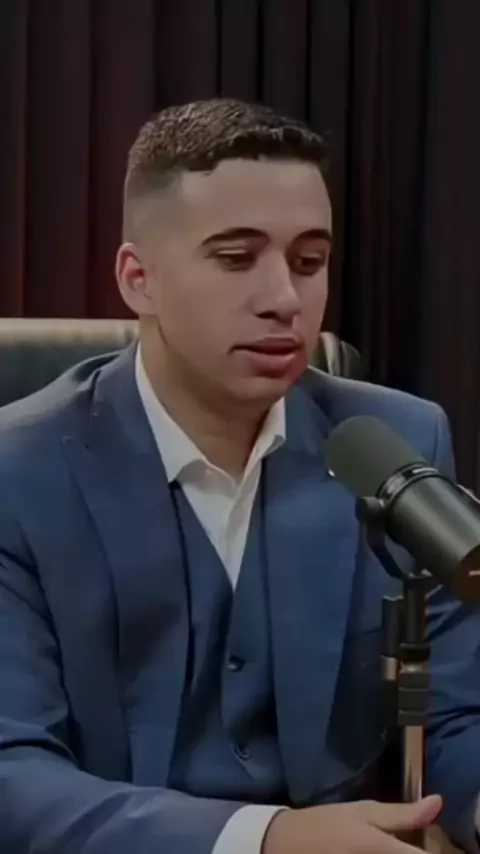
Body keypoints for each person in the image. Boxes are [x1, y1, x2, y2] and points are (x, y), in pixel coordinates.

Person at [0, 98, 479, 854]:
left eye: (309, 262)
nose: (285, 300)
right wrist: (267, 838)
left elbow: (455, 714)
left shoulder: (398, 443)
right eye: (235, 259)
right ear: (138, 278)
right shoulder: (17, 473)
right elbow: (11, 772)